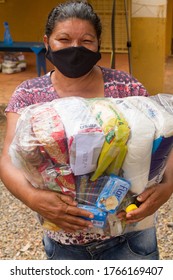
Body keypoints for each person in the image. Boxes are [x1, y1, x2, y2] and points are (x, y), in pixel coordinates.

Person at [0, 0, 173, 260]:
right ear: (47, 42)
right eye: (64, 39)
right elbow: (7, 159)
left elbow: (161, 139)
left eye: (86, 41)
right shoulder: (29, 94)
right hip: (64, 239)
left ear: (98, 44)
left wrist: (168, 186)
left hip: (130, 234)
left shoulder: (126, 88)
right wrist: (33, 198)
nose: (75, 49)